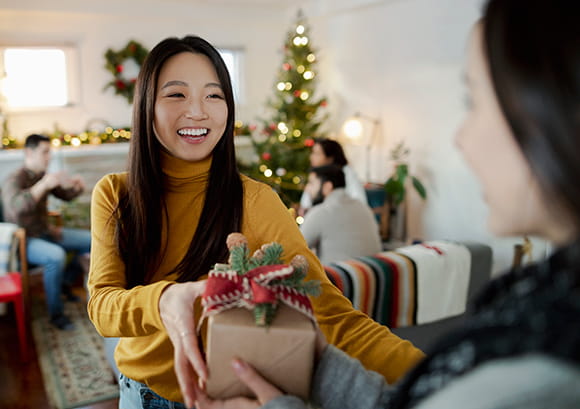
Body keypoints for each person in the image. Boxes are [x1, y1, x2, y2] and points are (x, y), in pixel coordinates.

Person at [195, 0, 580, 408]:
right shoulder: (538, 299)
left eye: (475, 101)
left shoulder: (545, 373)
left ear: (556, 107)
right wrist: (317, 361)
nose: (461, 138)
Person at [87, 35, 424, 409]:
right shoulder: (116, 194)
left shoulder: (256, 200)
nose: (198, 111)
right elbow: (102, 306)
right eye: (177, 94)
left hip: (223, 398)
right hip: (138, 392)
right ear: (147, 105)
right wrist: (164, 299)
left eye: (214, 96)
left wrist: (437, 376)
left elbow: (332, 315)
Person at [1, 134, 91, 330]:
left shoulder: (42, 175)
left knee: (93, 240)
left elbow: (65, 196)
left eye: (49, 152)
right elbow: (16, 208)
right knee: (56, 256)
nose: (49, 157)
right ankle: (56, 315)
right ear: (28, 153)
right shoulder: (14, 179)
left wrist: (77, 187)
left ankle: (66, 282)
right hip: (26, 241)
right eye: (45, 152)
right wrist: (43, 185)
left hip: (48, 233)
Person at [300, 164, 382, 264]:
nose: (307, 189)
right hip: (369, 273)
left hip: (337, 277)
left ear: (327, 187)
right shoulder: (364, 207)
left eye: (311, 183)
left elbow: (295, 249)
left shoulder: (321, 212)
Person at [299, 138, 367, 214]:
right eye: (312, 153)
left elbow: (360, 202)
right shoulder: (315, 175)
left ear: (330, 158)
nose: (311, 157)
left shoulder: (346, 173)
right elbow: (305, 204)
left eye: (317, 154)